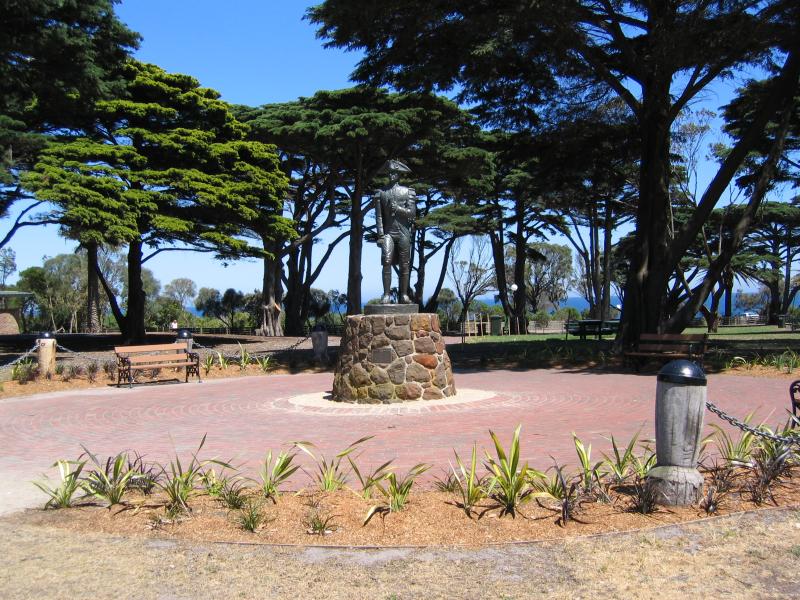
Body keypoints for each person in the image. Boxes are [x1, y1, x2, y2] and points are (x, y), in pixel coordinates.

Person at [373, 159, 416, 304]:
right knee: (386, 261)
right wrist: (380, 235)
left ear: (399, 175)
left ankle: (403, 295)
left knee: (404, 264)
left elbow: (412, 213)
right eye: (390, 172)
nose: (392, 175)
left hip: (404, 233)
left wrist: (398, 209)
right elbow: (379, 216)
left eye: (395, 173)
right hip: (388, 234)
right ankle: (386, 294)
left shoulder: (408, 192)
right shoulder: (381, 193)